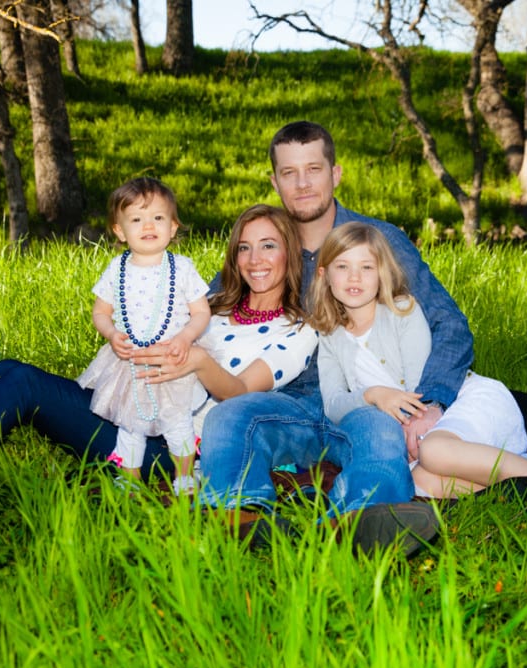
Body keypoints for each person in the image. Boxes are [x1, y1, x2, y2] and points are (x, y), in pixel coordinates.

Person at [0, 205, 319, 493]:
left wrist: (200, 361)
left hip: (168, 450)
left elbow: (241, 393)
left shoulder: (298, 330)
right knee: (9, 370)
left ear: (290, 254)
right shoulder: (213, 307)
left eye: (268, 245)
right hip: (129, 406)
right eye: (244, 247)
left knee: (24, 385)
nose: (254, 258)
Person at [196, 121, 477, 536]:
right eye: (289, 173)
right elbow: (204, 314)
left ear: (336, 173)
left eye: (313, 169)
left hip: (361, 398)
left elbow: (448, 324)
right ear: (275, 182)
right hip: (285, 403)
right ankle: (242, 519)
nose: (303, 184)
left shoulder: (378, 241)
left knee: (381, 436)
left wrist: (430, 403)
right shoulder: (265, 246)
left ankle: (360, 521)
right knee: (230, 416)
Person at [308, 222, 527, 499]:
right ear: (324, 274)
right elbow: (332, 405)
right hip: (417, 435)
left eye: (366, 267)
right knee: (419, 483)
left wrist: (403, 418)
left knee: (434, 452)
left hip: (455, 406)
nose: (354, 277)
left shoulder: (402, 310)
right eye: (342, 267)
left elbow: (420, 388)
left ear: (382, 273)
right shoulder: (329, 335)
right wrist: (372, 395)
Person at [75, 177, 211, 495]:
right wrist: (110, 334)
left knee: (178, 422)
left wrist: (185, 338)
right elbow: (100, 311)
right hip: (130, 362)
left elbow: (202, 313)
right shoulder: (116, 269)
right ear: (120, 231)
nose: (148, 225)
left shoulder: (183, 268)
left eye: (158, 218)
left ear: (173, 227)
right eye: (136, 219)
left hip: (171, 360)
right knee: (130, 425)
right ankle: (130, 479)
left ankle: (185, 476)